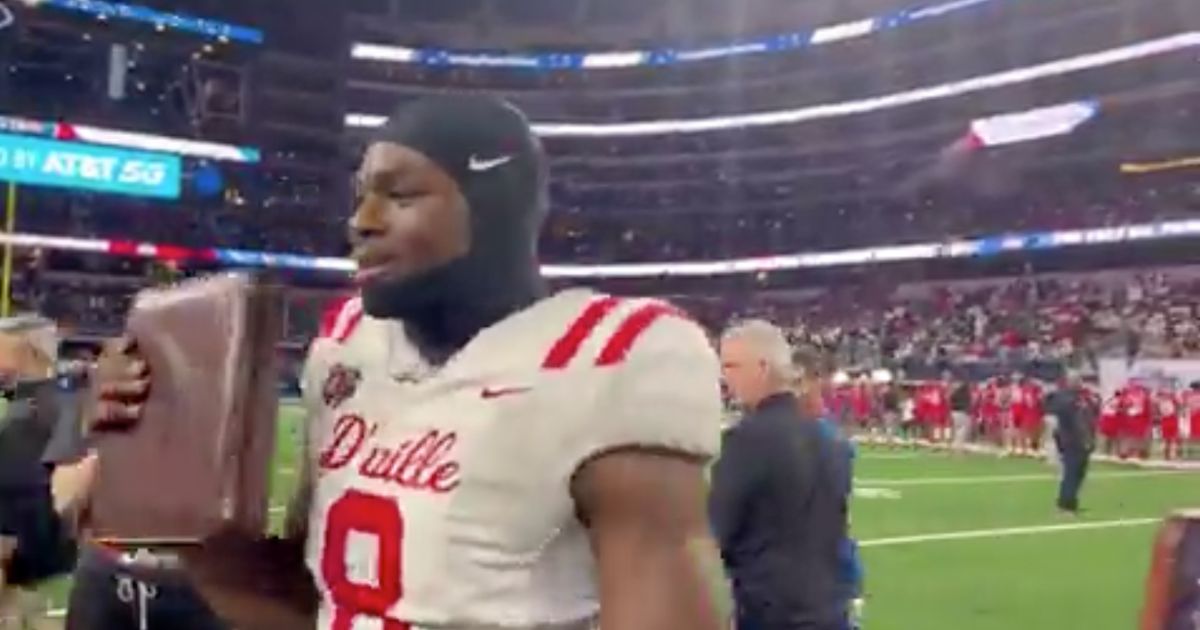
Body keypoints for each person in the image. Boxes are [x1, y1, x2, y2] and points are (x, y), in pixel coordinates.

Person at [88, 94, 731, 630]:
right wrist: (166, 464)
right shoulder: (350, 346)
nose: (360, 222)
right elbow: (312, 606)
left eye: (399, 195)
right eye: (361, 196)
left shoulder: (609, 354)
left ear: (495, 205)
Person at [710, 320, 850, 630]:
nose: (725, 377)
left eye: (731, 366)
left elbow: (717, 532)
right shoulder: (829, 439)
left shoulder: (746, 439)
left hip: (771, 613)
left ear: (762, 368)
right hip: (830, 610)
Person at [1046, 372, 1095, 514]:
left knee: (1077, 474)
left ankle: (1070, 503)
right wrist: (1086, 440)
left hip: (1074, 441)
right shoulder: (1067, 399)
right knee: (1071, 474)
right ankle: (1064, 505)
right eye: (1077, 381)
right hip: (1073, 442)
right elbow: (1077, 422)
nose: (1080, 383)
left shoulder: (1075, 398)